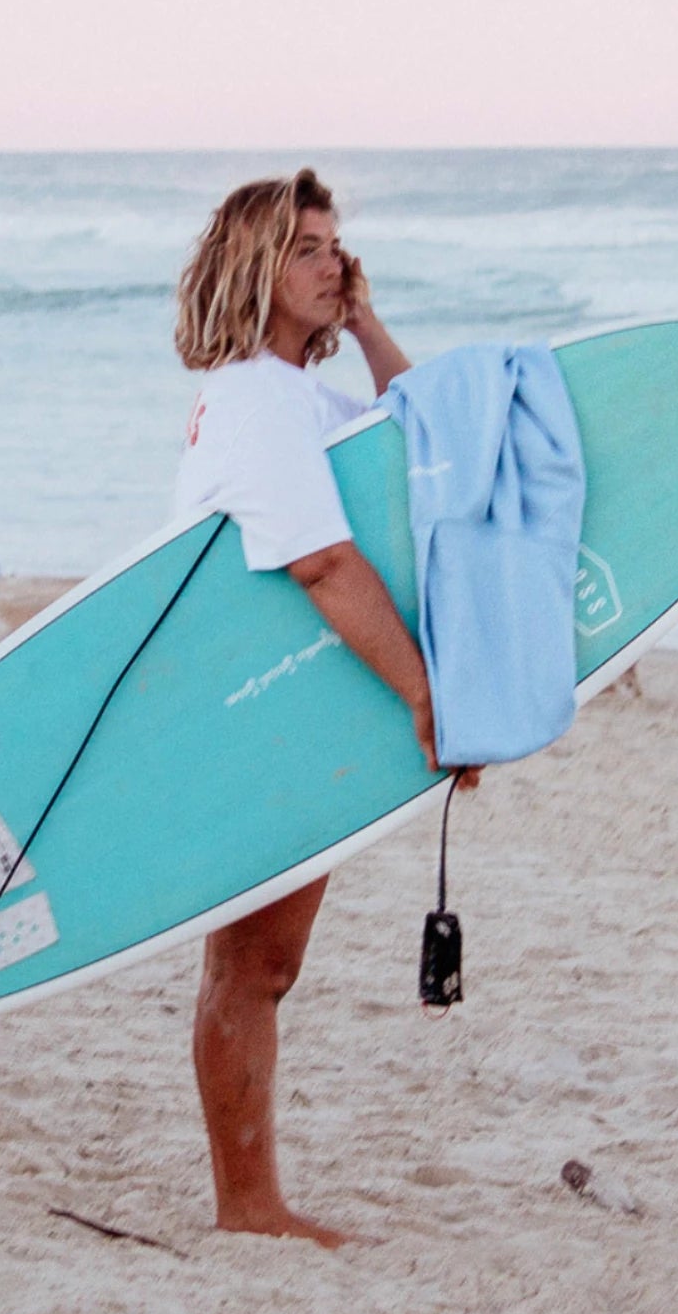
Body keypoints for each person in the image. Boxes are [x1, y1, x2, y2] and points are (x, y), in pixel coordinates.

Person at [174, 167, 472, 1247]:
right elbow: (322, 561)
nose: (332, 259)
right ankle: (248, 1206)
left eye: (337, 243)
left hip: (293, 701)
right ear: (253, 266)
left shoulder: (302, 394)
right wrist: (425, 695)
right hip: (253, 709)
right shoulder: (255, 395)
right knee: (251, 963)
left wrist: (370, 317)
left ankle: (251, 1200)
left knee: (264, 962)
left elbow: (425, 430)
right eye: (306, 247)